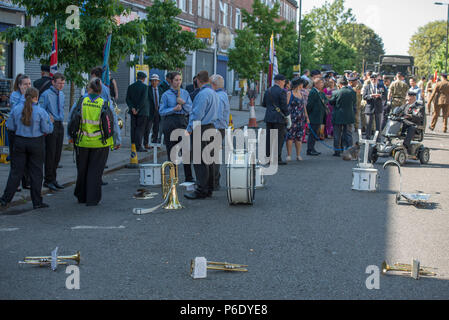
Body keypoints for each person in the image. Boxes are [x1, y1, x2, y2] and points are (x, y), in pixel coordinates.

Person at [0, 87, 53, 209]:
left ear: (25, 96)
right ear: (36, 97)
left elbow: (10, 126)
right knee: (36, 173)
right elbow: (47, 130)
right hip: (36, 142)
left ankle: (6, 199)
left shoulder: (16, 109)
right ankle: (37, 201)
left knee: (16, 172)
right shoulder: (41, 111)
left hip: (20, 141)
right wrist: (51, 122)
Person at [73, 78, 119, 206]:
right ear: (100, 91)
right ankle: (92, 198)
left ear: (89, 89)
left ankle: (81, 196)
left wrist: (72, 136)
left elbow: (73, 118)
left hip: (82, 141)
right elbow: (112, 122)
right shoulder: (104, 103)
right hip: (100, 142)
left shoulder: (81, 101)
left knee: (82, 170)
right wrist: (115, 140)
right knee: (95, 171)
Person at [184, 70, 218, 200]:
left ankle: (201, 189)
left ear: (198, 80)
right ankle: (209, 188)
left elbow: (196, 114)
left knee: (200, 160)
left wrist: (189, 129)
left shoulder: (202, 94)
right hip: (211, 126)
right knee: (209, 159)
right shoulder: (214, 93)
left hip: (201, 127)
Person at [159, 71, 194, 182]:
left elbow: (191, 109)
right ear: (171, 81)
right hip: (170, 122)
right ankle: (173, 177)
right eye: (176, 80)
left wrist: (183, 103)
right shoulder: (166, 95)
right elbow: (161, 111)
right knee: (172, 151)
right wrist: (173, 109)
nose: (178, 82)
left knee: (186, 151)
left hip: (182, 121)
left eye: (180, 80)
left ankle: (189, 177)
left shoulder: (185, 93)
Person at [39, 72, 66, 191]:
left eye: (63, 83)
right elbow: (40, 110)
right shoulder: (46, 94)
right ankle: (48, 179)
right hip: (51, 124)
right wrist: (47, 117)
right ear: (53, 82)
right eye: (59, 83)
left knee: (57, 154)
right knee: (50, 153)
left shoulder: (62, 94)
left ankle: (54, 178)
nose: (61, 85)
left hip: (60, 124)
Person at [8, 74, 31, 190]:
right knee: (15, 158)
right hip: (15, 131)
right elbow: (16, 110)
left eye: (29, 84)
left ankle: (26, 181)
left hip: (26, 130)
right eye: (26, 84)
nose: (28, 86)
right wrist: (23, 95)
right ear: (20, 85)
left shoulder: (31, 95)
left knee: (27, 157)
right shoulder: (14, 95)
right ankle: (15, 183)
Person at [262, 74, 290, 165]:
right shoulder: (282, 92)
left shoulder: (268, 90)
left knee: (269, 139)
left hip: (269, 117)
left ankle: (268, 157)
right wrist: (287, 116)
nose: (284, 83)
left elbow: (264, 104)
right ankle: (277, 158)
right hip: (279, 118)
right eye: (284, 81)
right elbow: (284, 106)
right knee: (278, 139)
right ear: (280, 81)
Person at [211, 74, 230, 190]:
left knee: (212, 156)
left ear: (213, 84)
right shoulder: (223, 94)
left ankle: (214, 181)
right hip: (220, 128)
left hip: (216, 128)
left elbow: (216, 115)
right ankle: (214, 181)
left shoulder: (218, 96)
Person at [329, 77, 356, 157]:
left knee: (337, 134)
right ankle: (349, 150)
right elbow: (354, 102)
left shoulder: (336, 92)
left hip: (338, 116)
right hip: (348, 115)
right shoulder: (352, 92)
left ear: (340, 84)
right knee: (348, 134)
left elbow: (331, 102)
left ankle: (337, 151)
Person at [126, 71, 150, 152]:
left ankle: (133, 144)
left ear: (137, 77)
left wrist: (132, 108)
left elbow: (127, 99)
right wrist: (138, 109)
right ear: (143, 79)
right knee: (140, 128)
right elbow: (143, 100)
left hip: (133, 112)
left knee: (133, 128)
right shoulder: (145, 87)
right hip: (142, 112)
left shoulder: (131, 87)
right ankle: (139, 146)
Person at [286, 77, 309, 161]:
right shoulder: (289, 93)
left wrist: (307, 116)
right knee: (290, 137)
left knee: (299, 137)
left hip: (301, 118)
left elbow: (304, 106)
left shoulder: (301, 93)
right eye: (301, 83)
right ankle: (289, 155)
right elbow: (286, 105)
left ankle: (298, 155)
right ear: (298, 84)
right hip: (292, 118)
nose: (303, 85)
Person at [306, 78, 327, 156]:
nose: (322, 84)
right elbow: (309, 105)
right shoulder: (313, 92)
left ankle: (312, 148)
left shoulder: (319, 92)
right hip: (314, 116)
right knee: (312, 133)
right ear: (316, 84)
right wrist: (307, 115)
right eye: (321, 83)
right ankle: (310, 149)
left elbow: (325, 100)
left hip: (319, 116)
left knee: (315, 133)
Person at [363, 73, 384, 140]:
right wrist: (371, 96)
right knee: (368, 124)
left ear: (377, 79)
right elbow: (364, 96)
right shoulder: (367, 87)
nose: (374, 80)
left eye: (375, 79)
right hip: (370, 107)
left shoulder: (381, 86)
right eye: (372, 79)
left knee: (378, 125)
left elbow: (385, 96)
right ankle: (367, 138)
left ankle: (378, 138)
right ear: (370, 79)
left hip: (378, 107)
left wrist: (380, 96)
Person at [144, 74, 163, 147]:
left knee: (156, 128)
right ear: (150, 82)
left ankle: (155, 142)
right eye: (152, 80)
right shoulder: (147, 89)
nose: (154, 82)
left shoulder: (161, 90)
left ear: (158, 82)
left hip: (158, 111)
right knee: (147, 128)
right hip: (150, 112)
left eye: (156, 80)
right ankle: (146, 143)